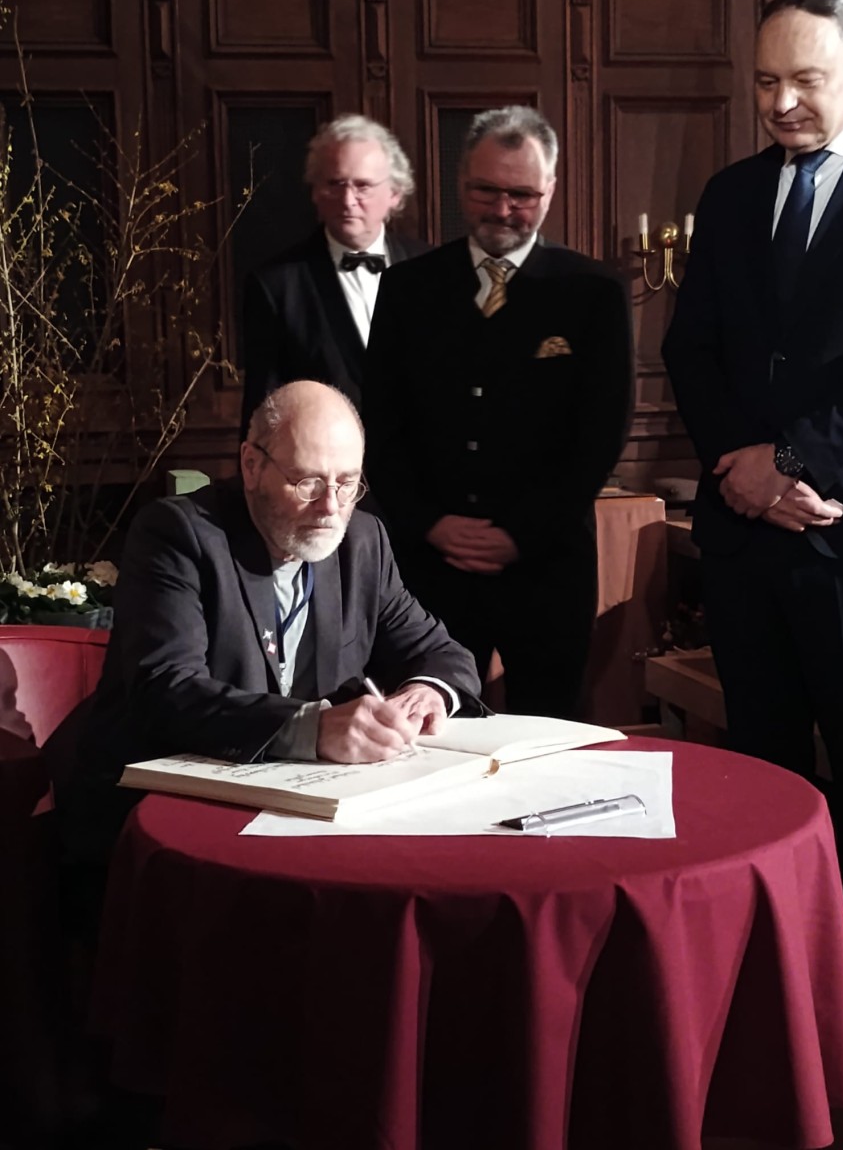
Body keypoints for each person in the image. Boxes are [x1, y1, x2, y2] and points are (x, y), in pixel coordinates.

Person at [662, 0, 843, 1011]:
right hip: (745, 543)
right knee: (760, 785)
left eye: (803, 79)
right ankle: (770, 1000)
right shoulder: (731, 194)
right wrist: (741, 471)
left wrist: (790, 461)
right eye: (762, 82)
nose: (779, 102)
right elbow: (689, 349)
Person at [66, 380, 482, 862]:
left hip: (304, 811)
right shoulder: (180, 535)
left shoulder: (361, 542)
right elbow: (166, 690)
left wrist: (425, 693)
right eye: (308, 483)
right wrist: (312, 729)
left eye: (348, 483)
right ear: (251, 465)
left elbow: (443, 654)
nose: (331, 507)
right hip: (164, 821)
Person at [364, 105, 633, 720]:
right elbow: (381, 424)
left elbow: (600, 435)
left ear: (550, 190)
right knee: (425, 734)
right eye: (486, 191)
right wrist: (431, 523)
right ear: (461, 184)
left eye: (522, 195)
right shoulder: (408, 289)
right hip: (427, 569)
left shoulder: (593, 293)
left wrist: (519, 535)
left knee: (548, 737)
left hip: (546, 566)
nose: (503, 209)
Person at [240, 114, 429, 436]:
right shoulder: (276, 286)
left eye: (363, 186)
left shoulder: (432, 269)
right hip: (326, 465)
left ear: (395, 194)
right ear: (315, 191)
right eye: (335, 184)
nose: (347, 200)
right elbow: (264, 409)